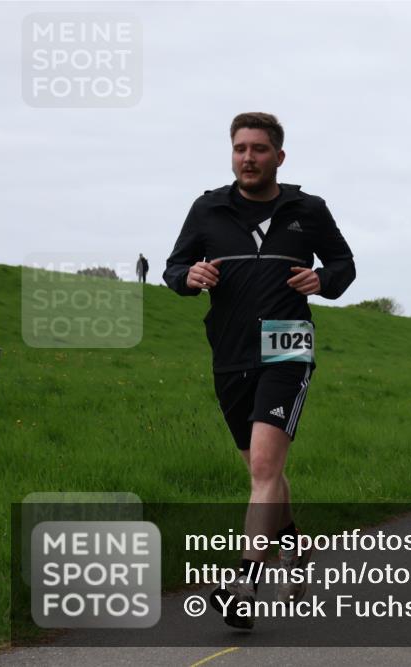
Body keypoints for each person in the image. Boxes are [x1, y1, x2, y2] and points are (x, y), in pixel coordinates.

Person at [163, 113, 356, 629]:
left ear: (279, 157)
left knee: (267, 465)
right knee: (261, 472)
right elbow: (173, 267)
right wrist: (188, 276)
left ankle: (244, 583)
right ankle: (293, 546)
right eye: (240, 148)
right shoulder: (208, 208)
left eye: (259, 149)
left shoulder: (307, 210)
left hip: (287, 347)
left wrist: (323, 280)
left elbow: (344, 265)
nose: (248, 158)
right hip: (229, 353)